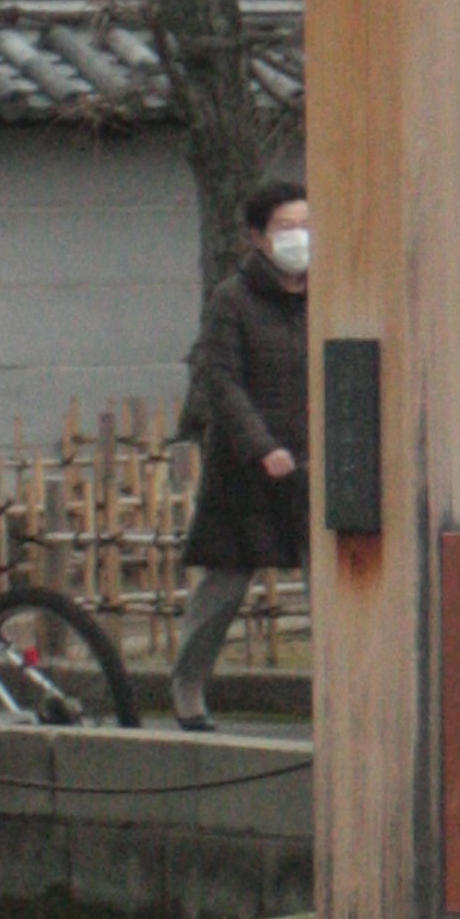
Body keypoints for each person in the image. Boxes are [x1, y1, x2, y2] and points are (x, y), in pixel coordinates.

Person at [172, 176, 308, 730]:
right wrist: (261, 446)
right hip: (248, 468)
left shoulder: (335, 290)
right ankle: (187, 684)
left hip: (315, 462)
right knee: (225, 583)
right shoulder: (232, 299)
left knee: (338, 576)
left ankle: (346, 691)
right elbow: (220, 380)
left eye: (306, 225)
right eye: (285, 228)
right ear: (257, 237)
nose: (300, 237)